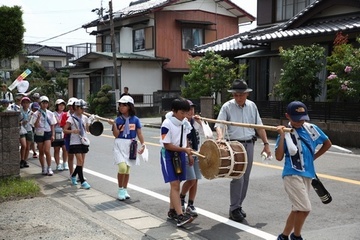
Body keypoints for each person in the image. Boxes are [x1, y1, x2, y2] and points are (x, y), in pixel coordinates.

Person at [215, 79, 271, 222]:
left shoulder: (252, 106)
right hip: (234, 145)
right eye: (235, 95)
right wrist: (220, 138)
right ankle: (234, 208)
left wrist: (266, 143)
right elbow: (219, 124)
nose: (238, 97)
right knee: (237, 177)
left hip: (249, 143)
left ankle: (238, 206)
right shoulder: (227, 106)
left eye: (241, 94)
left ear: (247, 94)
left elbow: (259, 126)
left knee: (246, 177)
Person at [275, 101, 332, 240]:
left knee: (298, 209)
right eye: (296, 119)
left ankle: (283, 236)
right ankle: (296, 236)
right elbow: (278, 157)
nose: (300, 122)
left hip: (308, 174)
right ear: (287, 116)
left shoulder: (311, 128)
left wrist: (314, 157)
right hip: (292, 173)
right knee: (305, 208)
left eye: (302, 119)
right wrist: (282, 136)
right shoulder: (286, 132)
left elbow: (327, 143)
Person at [160, 98, 194, 227]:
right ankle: (180, 216)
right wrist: (184, 150)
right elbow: (167, 144)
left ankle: (172, 210)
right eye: (182, 112)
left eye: (186, 112)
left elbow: (185, 138)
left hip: (180, 153)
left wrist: (188, 154)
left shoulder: (184, 122)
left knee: (177, 184)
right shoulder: (167, 124)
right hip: (168, 155)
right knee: (174, 185)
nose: (184, 115)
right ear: (173, 111)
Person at [108, 95, 145, 200]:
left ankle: (125, 189)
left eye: (124, 105)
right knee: (122, 167)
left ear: (130, 106)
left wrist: (143, 144)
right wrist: (114, 125)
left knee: (128, 169)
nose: (121, 107)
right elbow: (115, 135)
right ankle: (120, 189)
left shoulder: (136, 120)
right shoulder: (117, 120)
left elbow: (139, 133)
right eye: (120, 105)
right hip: (119, 144)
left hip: (131, 144)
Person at [180, 100, 203, 217]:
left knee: (196, 180)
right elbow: (184, 141)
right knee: (191, 179)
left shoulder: (195, 122)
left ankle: (191, 204)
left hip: (196, 153)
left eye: (192, 109)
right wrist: (189, 155)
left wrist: (201, 122)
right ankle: (181, 197)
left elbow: (207, 133)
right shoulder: (183, 123)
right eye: (188, 109)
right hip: (186, 154)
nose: (191, 111)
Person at [63, 99, 91, 189]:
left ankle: (74, 175)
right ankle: (82, 181)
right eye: (82, 108)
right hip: (74, 142)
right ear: (77, 107)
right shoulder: (71, 118)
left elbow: (87, 130)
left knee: (81, 162)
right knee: (80, 160)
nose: (84, 111)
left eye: (84, 109)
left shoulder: (84, 117)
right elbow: (65, 129)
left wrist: (91, 121)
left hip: (83, 140)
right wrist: (73, 131)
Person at [30, 96, 57, 176]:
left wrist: (53, 134)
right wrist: (38, 118)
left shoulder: (50, 113)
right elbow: (35, 125)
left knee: (47, 150)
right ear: (40, 104)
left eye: (46, 103)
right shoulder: (36, 114)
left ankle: (49, 167)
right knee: (41, 151)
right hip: (39, 133)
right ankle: (43, 167)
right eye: (43, 103)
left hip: (47, 132)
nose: (45, 105)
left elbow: (52, 124)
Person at [60, 97, 78, 177]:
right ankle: (72, 174)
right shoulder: (65, 115)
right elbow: (63, 127)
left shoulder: (80, 114)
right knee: (70, 156)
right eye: (70, 105)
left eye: (73, 105)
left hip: (78, 138)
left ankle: (79, 174)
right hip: (68, 137)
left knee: (79, 157)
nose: (71, 107)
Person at [52, 99, 68, 171]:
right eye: (60, 105)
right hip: (56, 133)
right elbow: (53, 123)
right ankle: (58, 164)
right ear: (57, 106)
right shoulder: (53, 114)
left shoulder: (66, 114)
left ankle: (65, 162)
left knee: (65, 148)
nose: (61, 106)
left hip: (64, 133)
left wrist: (60, 122)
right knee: (57, 149)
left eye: (63, 105)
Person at [19, 96, 33, 168]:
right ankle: (21, 160)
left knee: (28, 146)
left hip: (29, 129)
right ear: (22, 103)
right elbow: (16, 121)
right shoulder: (19, 112)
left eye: (27, 102)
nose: (25, 104)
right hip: (21, 130)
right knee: (23, 145)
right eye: (24, 102)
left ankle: (25, 160)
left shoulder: (31, 112)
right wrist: (21, 123)